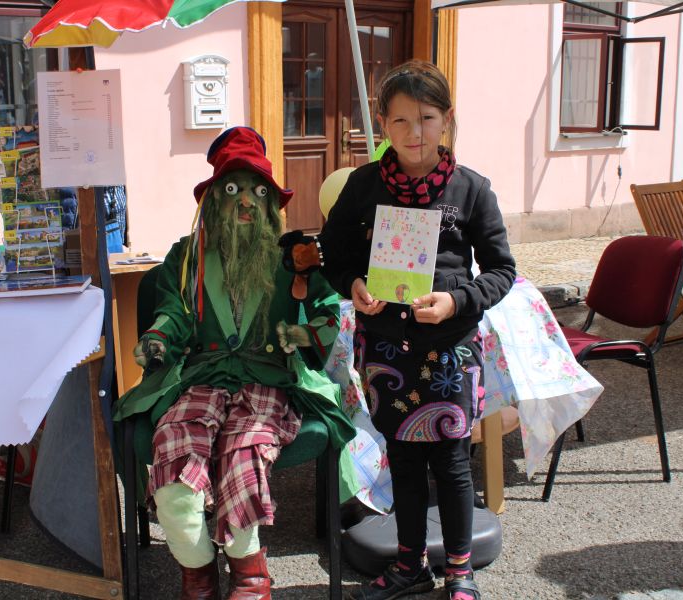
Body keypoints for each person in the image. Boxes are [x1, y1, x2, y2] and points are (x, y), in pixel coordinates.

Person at [116, 126, 354, 599]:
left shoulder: (292, 258)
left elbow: (330, 312)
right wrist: (159, 338)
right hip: (200, 379)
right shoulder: (187, 257)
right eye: (231, 190)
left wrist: (303, 333)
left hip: (267, 379)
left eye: (256, 191)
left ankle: (250, 576)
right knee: (174, 468)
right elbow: (174, 312)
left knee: (242, 456)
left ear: (270, 204)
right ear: (213, 201)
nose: (245, 201)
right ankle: (198, 573)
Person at [319, 61, 516, 600]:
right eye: (401, 120)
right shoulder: (363, 187)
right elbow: (333, 253)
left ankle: (459, 572)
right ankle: (410, 567)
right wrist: (353, 283)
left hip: (450, 350)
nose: (415, 132)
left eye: (427, 118)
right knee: (403, 461)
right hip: (387, 351)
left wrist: (456, 301)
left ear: (446, 119)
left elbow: (502, 270)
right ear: (383, 123)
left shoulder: (471, 190)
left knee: (451, 463)